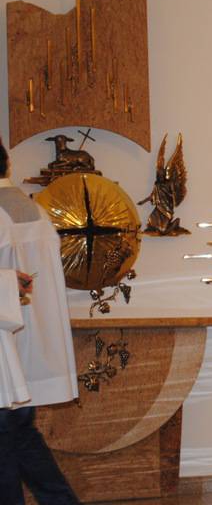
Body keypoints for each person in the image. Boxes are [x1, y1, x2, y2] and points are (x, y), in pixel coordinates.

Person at [0, 138, 79, 504]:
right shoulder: (34, 209)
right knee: (22, 440)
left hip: (7, 350)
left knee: (8, 447)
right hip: (30, 346)